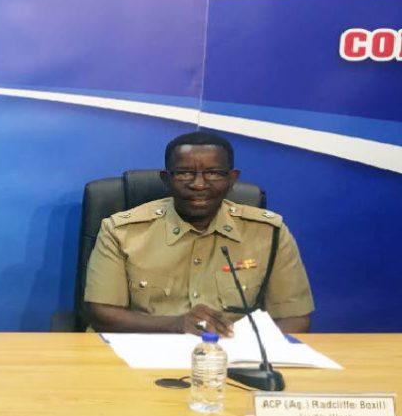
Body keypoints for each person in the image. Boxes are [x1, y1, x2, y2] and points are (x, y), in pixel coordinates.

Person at [84, 131, 313, 336]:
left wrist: (240, 351)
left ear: (231, 179)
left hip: (231, 359)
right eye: (184, 173)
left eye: (213, 173)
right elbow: (102, 313)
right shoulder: (123, 231)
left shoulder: (269, 233)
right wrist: (176, 325)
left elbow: (294, 318)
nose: (199, 184)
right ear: (167, 180)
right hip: (140, 355)